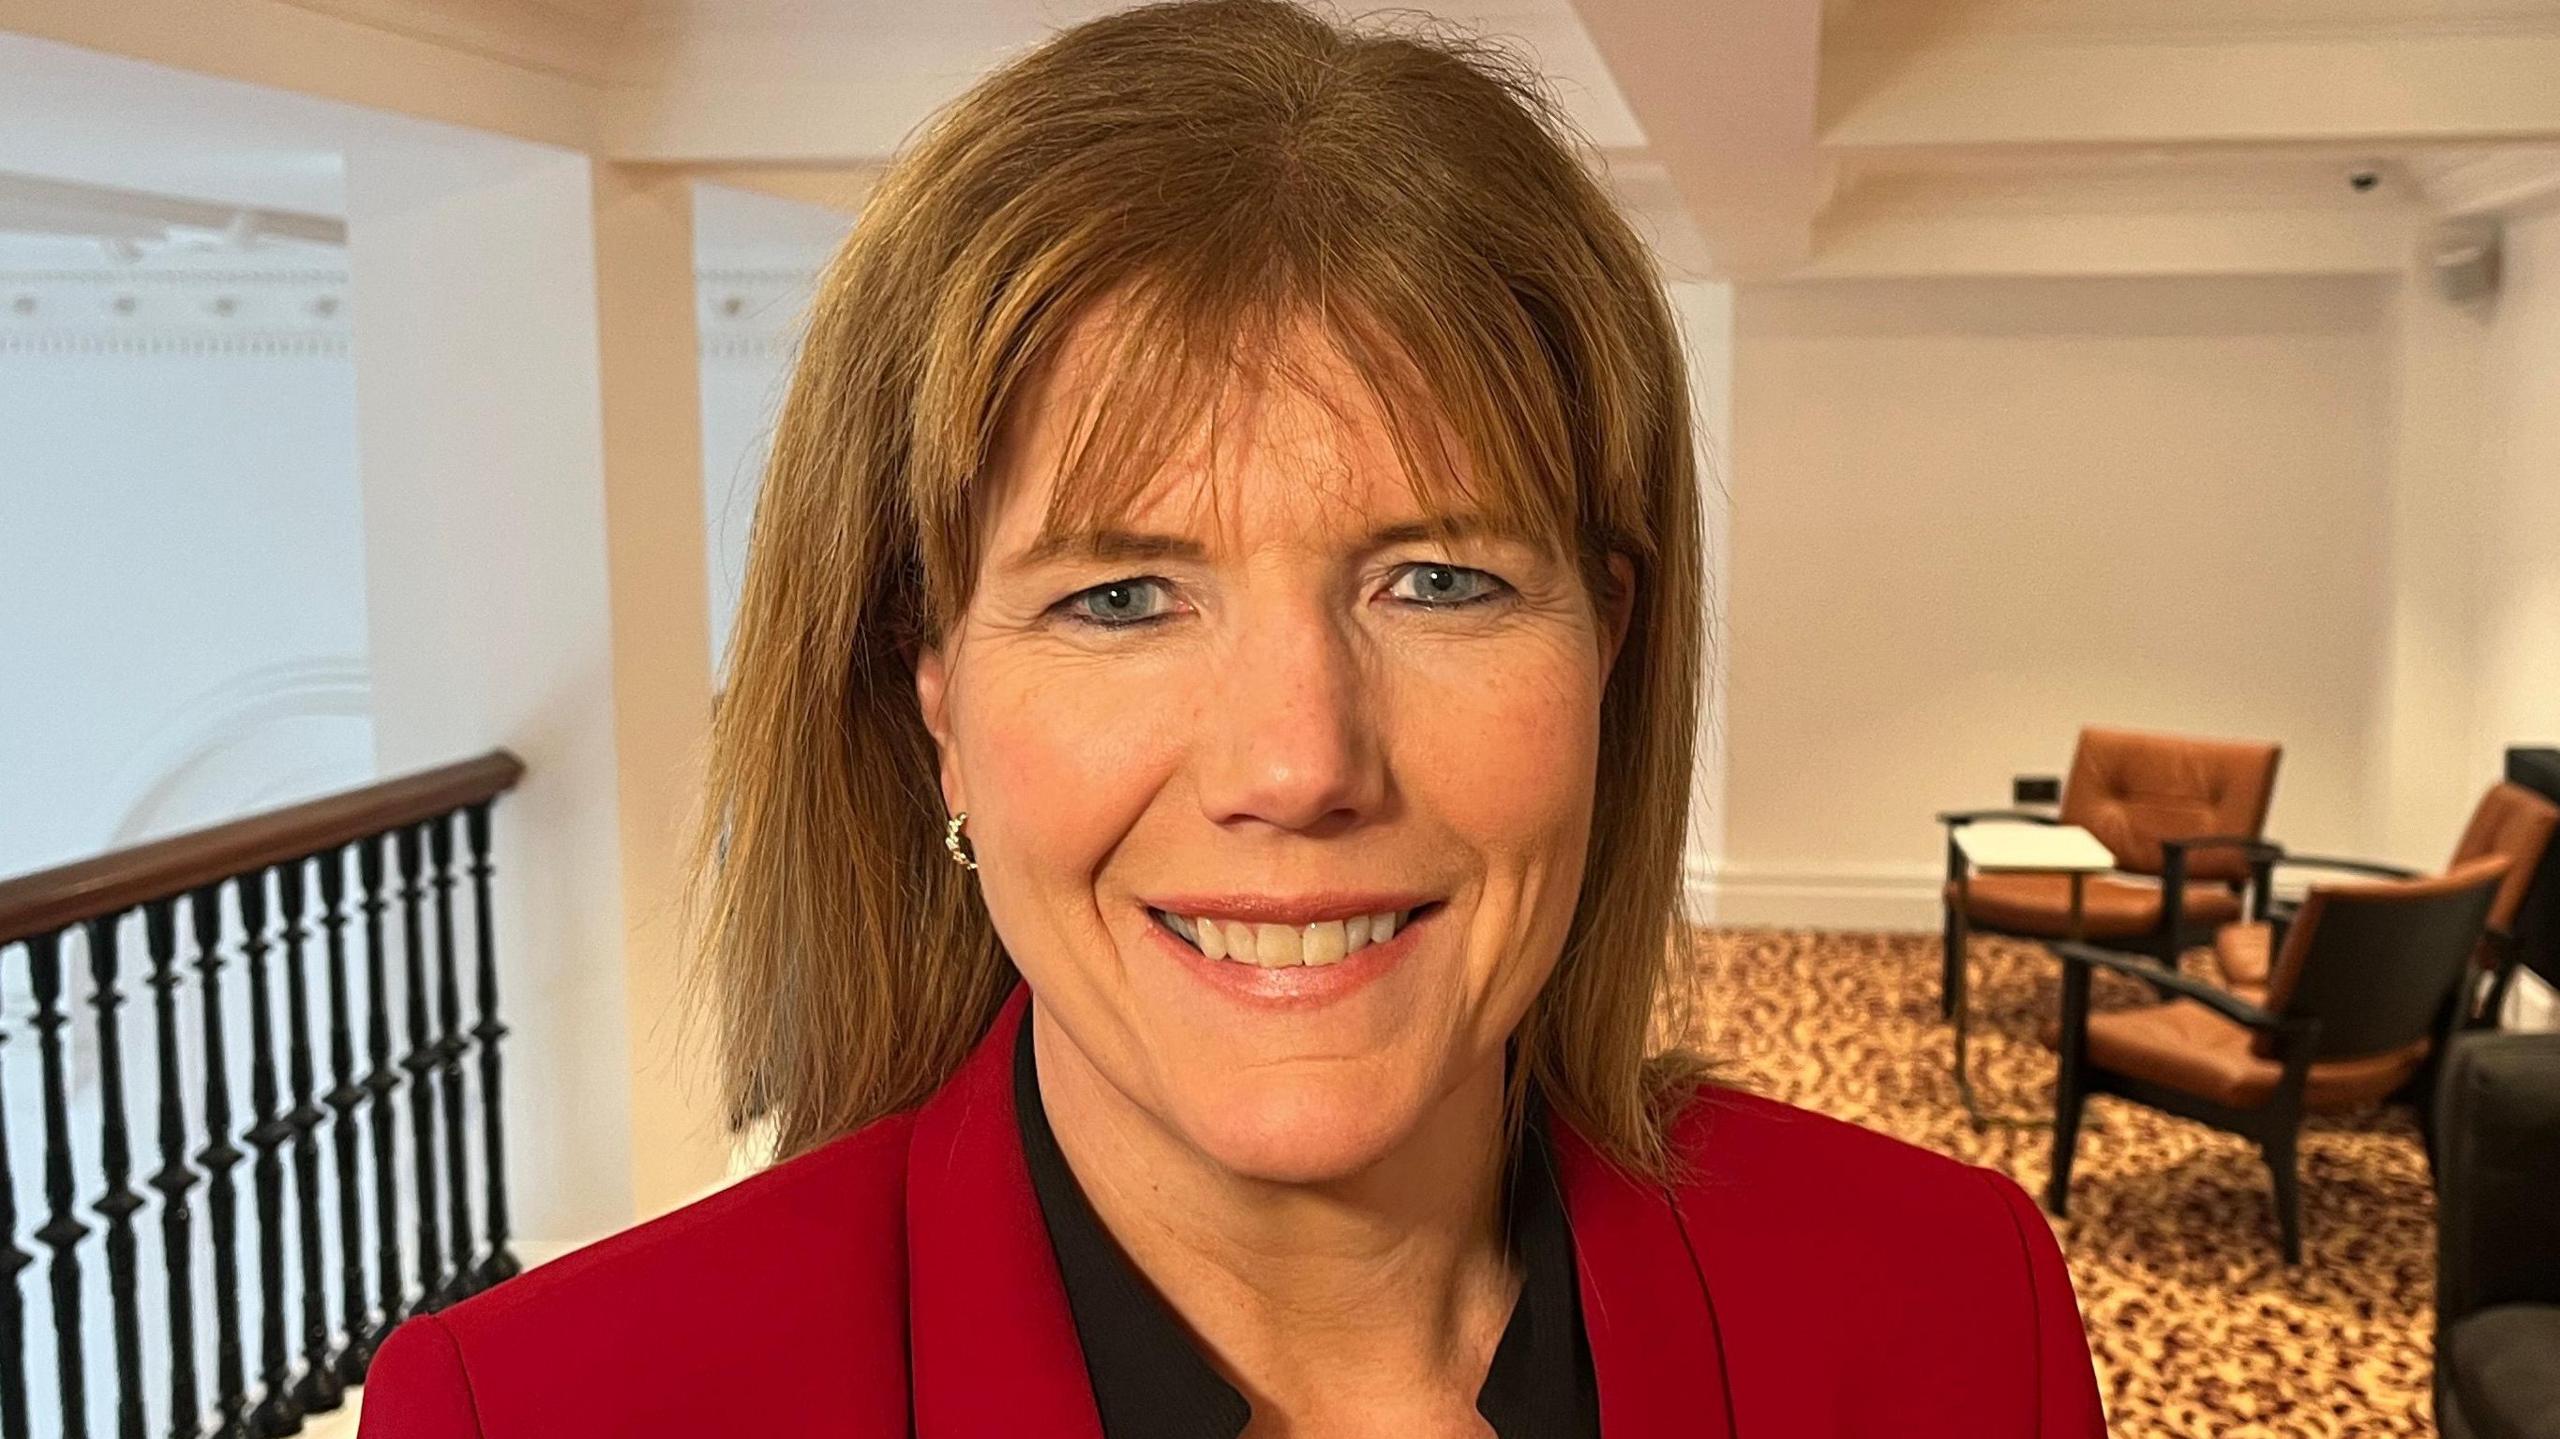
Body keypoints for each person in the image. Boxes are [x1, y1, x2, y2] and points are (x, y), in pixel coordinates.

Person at [358, 1, 2108, 1434]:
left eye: (1439, 580)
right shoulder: (543, 1413)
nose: (1298, 763)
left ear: (1610, 650)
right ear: (937, 699)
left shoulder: (1957, 1314)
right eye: (1120, 597)